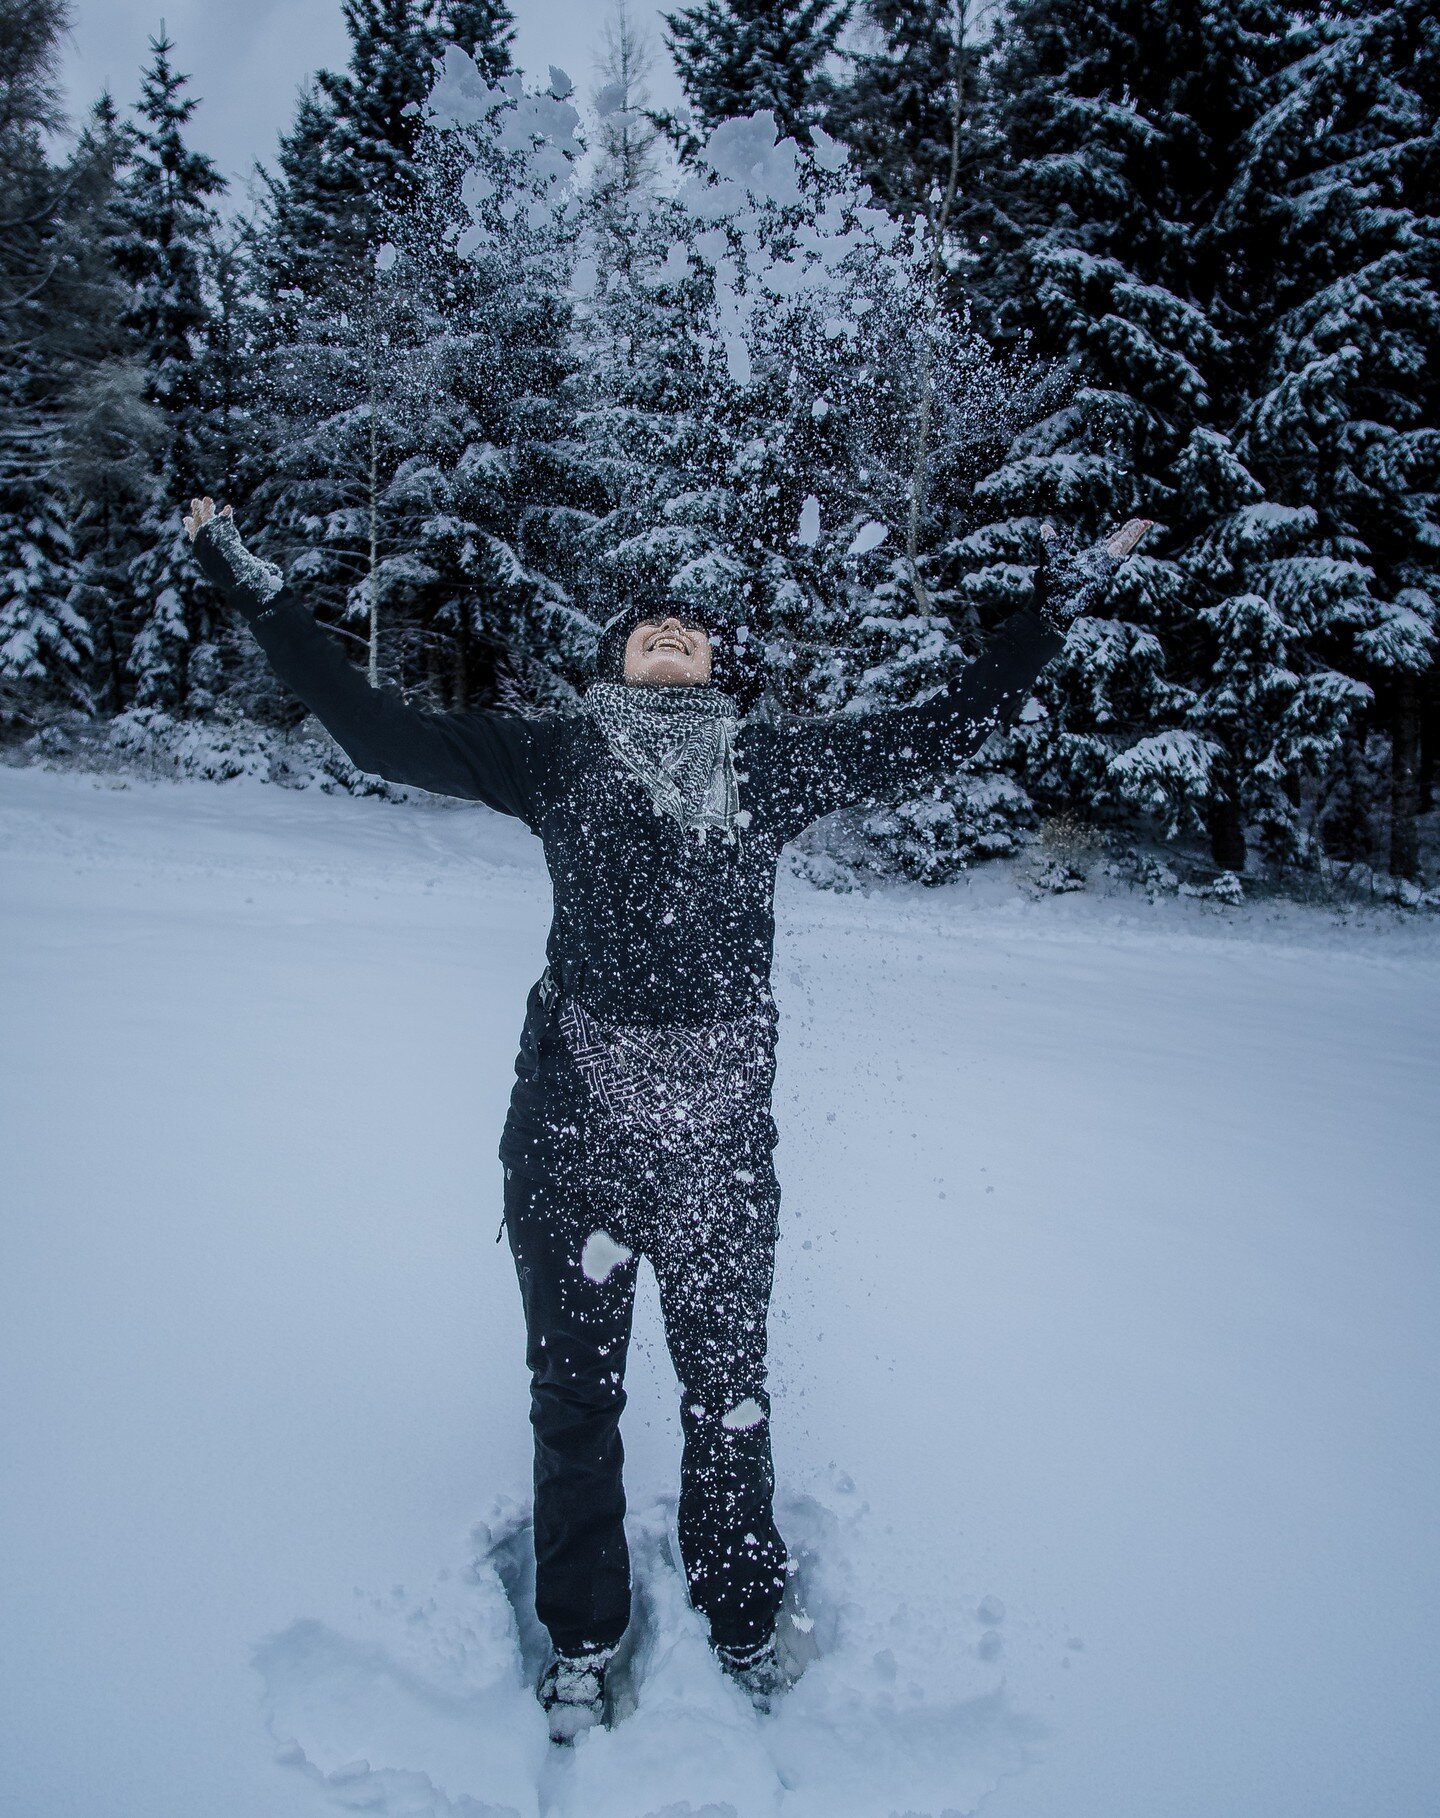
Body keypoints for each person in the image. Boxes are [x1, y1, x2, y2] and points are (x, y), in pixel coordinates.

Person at [183, 494, 1150, 1741]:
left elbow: (945, 726)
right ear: (613, 658)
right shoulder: (553, 756)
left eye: (692, 630)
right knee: (573, 1406)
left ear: (721, 666)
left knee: (729, 1396)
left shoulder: (771, 764)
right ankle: (582, 1638)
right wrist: (253, 580)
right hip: (572, 1142)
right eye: (648, 627)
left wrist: (1062, 597)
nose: (670, 634)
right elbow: (374, 733)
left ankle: (742, 1611)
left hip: (719, 1154)